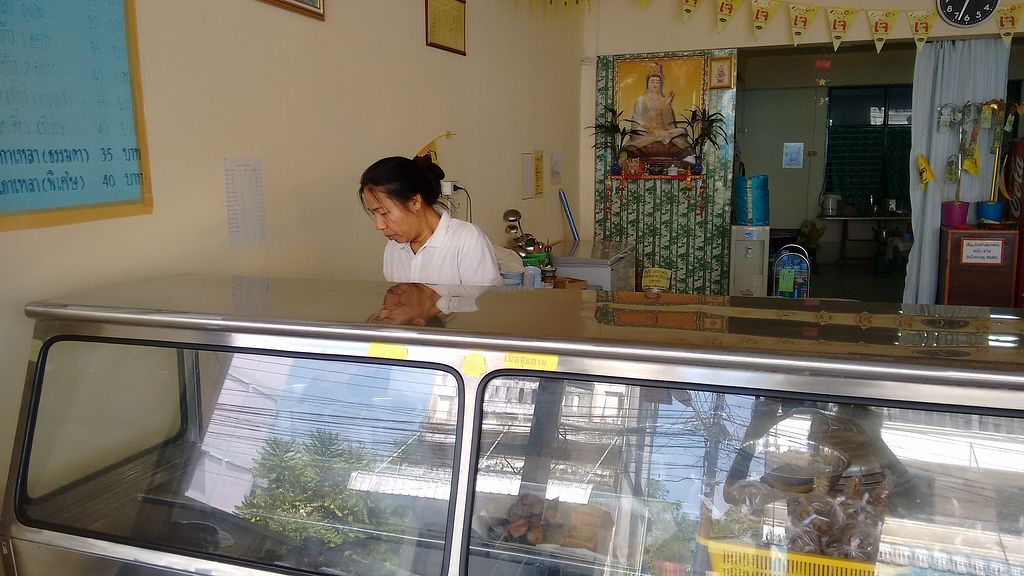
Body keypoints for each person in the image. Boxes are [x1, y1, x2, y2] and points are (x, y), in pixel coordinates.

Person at [359, 155, 501, 286]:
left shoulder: (467, 240)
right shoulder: (393, 248)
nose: (379, 225)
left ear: (414, 201)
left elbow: (487, 303)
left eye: (383, 212)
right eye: (374, 213)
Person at [623, 63, 693, 161]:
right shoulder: (641, 100)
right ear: (647, 84)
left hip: (663, 131)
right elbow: (635, 119)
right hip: (647, 132)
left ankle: (660, 139)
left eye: (657, 82)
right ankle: (660, 141)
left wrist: (666, 106)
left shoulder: (664, 100)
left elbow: (669, 123)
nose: (655, 84)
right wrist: (645, 125)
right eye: (652, 82)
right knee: (639, 132)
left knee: (682, 131)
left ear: (661, 84)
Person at [370, 282, 485, 327]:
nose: (383, 311)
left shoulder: (399, 262)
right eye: (389, 318)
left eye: (378, 316)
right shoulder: (471, 297)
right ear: (418, 322)